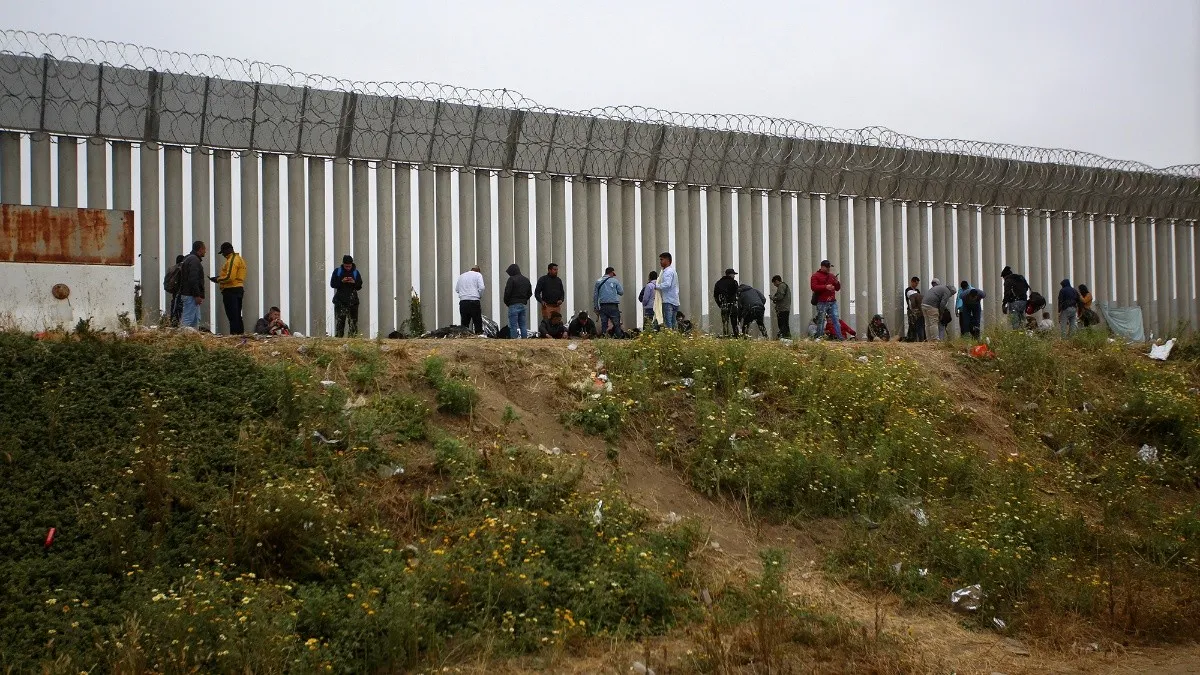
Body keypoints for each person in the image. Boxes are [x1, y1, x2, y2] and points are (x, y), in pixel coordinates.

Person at [209, 242, 246, 334]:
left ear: (227, 250)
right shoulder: (239, 259)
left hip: (231, 290)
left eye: (223, 252)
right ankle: (239, 335)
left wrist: (217, 279)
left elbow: (230, 277)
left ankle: (234, 335)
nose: (223, 255)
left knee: (232, 316)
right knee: (237, 315)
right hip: (238, 289)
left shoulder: (232, 260)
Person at [330, 254, 363, 337]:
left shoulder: (356, 272)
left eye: (349, 266)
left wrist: (354, 282)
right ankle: (339, 339)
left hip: (353, 301)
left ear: (352, 264)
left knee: (353, 323)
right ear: (343, 264)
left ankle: (352, 339)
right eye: (346, 266)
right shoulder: (337, 271)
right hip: (340, 301)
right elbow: (333, 284)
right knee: (340, 322)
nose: (348, 268)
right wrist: (341, 281)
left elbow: (359, 286)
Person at [810, 259, 842, 340]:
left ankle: (839, 337)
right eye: (827, 267)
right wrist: (825, 287)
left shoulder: (832, 276)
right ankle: (819, 337)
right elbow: (813, 287)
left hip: (832, 301)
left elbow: (837, 288)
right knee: (821, 320)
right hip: (822, 302)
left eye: (829, 267)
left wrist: (837, 282)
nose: (828, 268)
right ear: (822, 267)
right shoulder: (815, 276)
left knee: (835, 319)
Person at [179, 241, 207, 329]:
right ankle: (182, 336)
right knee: (188, 320)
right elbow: (193, 279)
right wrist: (197, 295)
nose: (205, 251)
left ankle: (193, 336)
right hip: (190, 295)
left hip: (188, 294)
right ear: (200, 249)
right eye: (204, 249)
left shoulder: (188, 258)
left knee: (195, 320)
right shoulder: (194, 261)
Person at [503, 263, 532, 339]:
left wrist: (507, 302)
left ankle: (514, 341)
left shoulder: (511, 279)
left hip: (513, 305)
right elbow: (530, 293)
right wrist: (524, 300)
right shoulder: (526, 280)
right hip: (523, 305)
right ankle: (524, 339)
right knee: (523, 325)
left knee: (513, 325)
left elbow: (507, 292)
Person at [593, 266, 624, 337]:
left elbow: (595, 296)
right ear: (611, 273)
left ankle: (604, 337)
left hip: (603, 305)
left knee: (604, 323)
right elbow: (621, 292)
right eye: (613, 274)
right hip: (613, 305)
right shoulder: (615, 281)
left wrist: (596, 307)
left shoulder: (598, 281)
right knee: (616, 324)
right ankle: (619, 337)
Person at [455, 265, 486, 334]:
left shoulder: (461, 276)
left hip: (463, 302)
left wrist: (464, 293)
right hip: (474, 301)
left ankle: (464, 335)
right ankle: (478, 334)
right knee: (477, 321)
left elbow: (457, 289)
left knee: (464, 323)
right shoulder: (478, 275)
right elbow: (482, 287)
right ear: (478, 271)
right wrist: (479, 295)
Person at [1001, 266, 1030, 330]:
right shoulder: (1021, 278)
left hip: (1014, 302)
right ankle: (1022, 333)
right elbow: (1027, 288)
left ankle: (1016, 333)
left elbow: (1006, 293)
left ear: (1005, 276)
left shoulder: (1008, 280)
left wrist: (1004, 304)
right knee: (1022, 320)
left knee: (1015, 322)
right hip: (1023, 301)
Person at [714, 268, 740, 337]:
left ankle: (725, 335)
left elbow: (715, 296)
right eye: (733, 274)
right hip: (733, 305)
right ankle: (736, 336)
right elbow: (737, 294)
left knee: (725, 322)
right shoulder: (734, 282)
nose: (734, 276)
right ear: (730, 275)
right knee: (734, 322)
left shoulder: (718, 283)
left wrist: (720, 304)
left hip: (724, 304)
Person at [657, 252, 680, 330]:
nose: (660, 262)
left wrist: (656, 286)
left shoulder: (667, 272)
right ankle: (674, 335)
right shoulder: (673, 271)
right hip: (675, 300)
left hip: (668, 300)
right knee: (673, 322)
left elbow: (667, 284)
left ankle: (669, 335)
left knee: (668, 323)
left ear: (667, 260)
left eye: (662, 260)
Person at [163, 254, 185, 326]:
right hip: (181, 291)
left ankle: (173, 321)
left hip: (174, 291)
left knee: (174, 305)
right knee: (180, 307)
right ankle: (178, 323)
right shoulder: (182, 268)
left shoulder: (171, 268)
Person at [903, 277, 925, 342]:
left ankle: (917, 339)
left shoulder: (917, 290)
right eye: (915, 283)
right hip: (911, 310)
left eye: (917, 283)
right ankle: (911, 339)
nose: (916, 285)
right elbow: (912, 299)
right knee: (912, 324)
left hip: (918, 311)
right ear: (912, 282)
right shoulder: (908, 290)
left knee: (918, 325)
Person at [771, 274, 791, 339]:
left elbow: (780, 296)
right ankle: (787, 337)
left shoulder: (781, 286)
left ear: (777, 281)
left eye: (774, 283)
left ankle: (784, 337)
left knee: (782, 324)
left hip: (782, 308)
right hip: (785, 308)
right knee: (785, 324)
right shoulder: (785, 286)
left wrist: (773, 298)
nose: (774, 285)